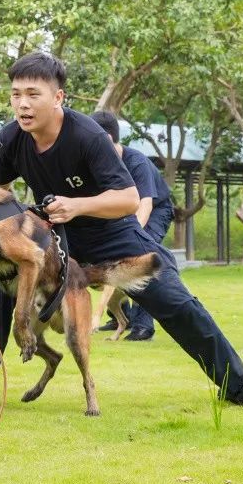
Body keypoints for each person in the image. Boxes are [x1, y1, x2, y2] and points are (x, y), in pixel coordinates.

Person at [0, 52, 243, 410]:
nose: (22, 104)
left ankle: (239, 386)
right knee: (2, 286)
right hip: (56, 240)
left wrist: (77, 205)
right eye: (15, 94)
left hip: (112, 236)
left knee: (177, 303)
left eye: (32, 94)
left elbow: (128, 198)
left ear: (58, 97)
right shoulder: (11, 137)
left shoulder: (87, 135)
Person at [90, 110, 174, 341]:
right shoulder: (98, 164)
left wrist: (129, 236)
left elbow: (145, 204)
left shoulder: (136, 162)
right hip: (123, 212)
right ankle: (119, 316)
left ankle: (143, 326)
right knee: (109, 257)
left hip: (157, 209)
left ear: (106, 139)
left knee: (140, 254)